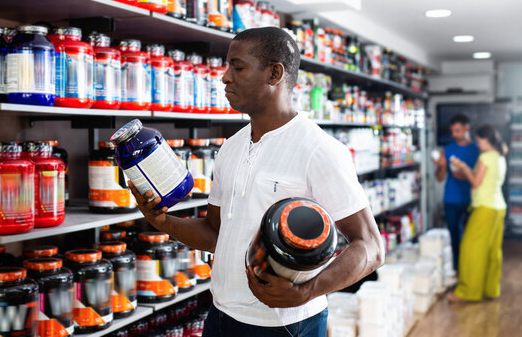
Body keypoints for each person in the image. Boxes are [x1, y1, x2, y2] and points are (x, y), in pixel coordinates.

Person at [128, 27, 384, 336]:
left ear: (274, 73)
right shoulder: (231, 147)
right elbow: (216, 234)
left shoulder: (320, 150)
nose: (224, 77)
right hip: (221, 315)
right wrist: (163, 221)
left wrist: (306, 292)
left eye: (237, 67)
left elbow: (370, 246)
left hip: (284, 324)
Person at [447, 125, 507, 302]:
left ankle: (468, 291)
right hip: (498, 207)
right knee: (492, 251)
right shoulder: (499, 155)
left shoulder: (485, 157)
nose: (477, 144)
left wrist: (464, 167)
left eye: (479, 140)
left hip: (485, 207)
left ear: (485, 140)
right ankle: (490, 289)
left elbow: (475, 182)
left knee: (470, 249)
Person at [433, 114, 479, 272]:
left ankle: (472, 269)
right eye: (452, 131)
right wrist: (441, 166)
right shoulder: (448, 149)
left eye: (458, 131)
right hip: (451, 199)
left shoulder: (477, 149)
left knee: (472, 238)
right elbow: (439, 178)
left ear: (467, 129)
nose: (454, 135)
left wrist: (465, 172)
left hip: (472, 199)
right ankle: (458, 270)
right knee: (454, 237)